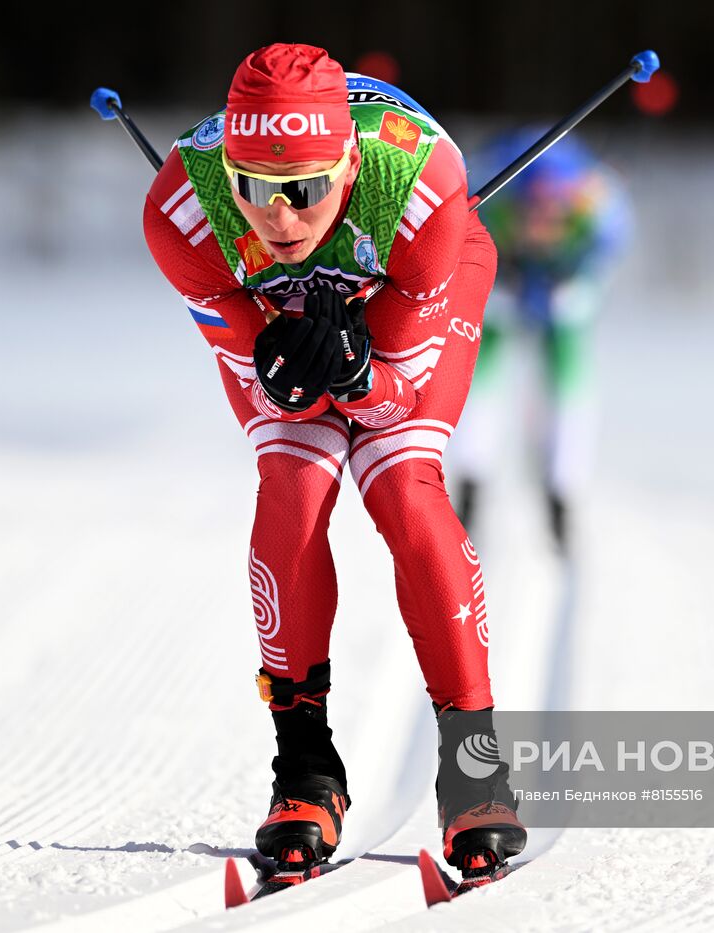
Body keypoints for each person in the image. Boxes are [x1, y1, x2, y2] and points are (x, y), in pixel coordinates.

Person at [140, 43, 524, 876]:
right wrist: (295, 365)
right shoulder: (182, 210)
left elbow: (389, 399)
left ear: (349, 161)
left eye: (305, 189)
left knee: (404, 489)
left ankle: (475, 767)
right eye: (255, 188)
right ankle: (306, 769)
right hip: (272, 305)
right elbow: (278, 391)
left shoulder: (420, 188)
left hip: (423, 276)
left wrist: (354, 365)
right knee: (292, 485)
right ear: (226, 171)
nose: (279, 218)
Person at [448, 131, 629, 553]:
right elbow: (453, 246)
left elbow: (610, 251)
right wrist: (483, 287)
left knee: (569, 377)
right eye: (534, 216)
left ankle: (562, 491)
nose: (542, 226)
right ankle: (470, 481)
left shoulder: (599, 207)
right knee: (474, 372)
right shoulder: (489, 201)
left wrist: (584, 289)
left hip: (560, 285)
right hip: (501, 279)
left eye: (554, 218)